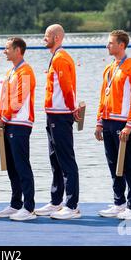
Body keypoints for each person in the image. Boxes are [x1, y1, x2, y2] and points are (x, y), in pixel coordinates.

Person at [95, 30, 131, 220]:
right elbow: (102, 96)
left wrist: (129, 125)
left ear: (121, 45)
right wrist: (99, 122)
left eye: (110, 43)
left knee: (129, 164)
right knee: (113, 164)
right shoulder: (109, 68)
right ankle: (119, 203)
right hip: (107, 121)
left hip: (123, 123)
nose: (107, 46)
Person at [35, 24, 82, 220]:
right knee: (54, 158)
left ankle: (72, 205)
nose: (44, 38)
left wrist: (72, 109)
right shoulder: (55, 57)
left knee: (66, 159)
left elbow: (66, 87)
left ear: (56, 37)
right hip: (52, 114)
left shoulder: (61, 58)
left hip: (61, 114)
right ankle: (56, 201)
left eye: (47, 36)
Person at [0, 37, 37, 221]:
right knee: (11, 166)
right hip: (7, 121)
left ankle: (29, 207)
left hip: (20, 122)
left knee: (21, 165)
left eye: (7, 48)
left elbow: (18, 100)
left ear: (18, 50)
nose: (4, 51)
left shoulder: (25, 71)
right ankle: (15, 203)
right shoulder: (11, 71)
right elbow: (3, 97)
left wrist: (3, 118)